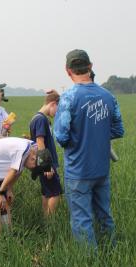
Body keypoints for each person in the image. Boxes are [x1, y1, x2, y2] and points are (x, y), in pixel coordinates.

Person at [54, 49, 124, 247]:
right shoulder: (109, 96)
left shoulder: (68, 98)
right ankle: (112, 252)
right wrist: (97, 133)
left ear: (68, 71)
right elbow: (118, 129)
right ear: (90, 66)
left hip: (78, 170)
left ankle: (89, 260)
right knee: (105, 215)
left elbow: (61, 136)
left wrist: (81, 134)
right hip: (101, 169)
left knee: (81, 220)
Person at [0, 137, 52, 235]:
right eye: (33, 169)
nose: (31, 170)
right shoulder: (22, 150)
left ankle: (8, 234)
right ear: (33, 158)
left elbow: (18, 171)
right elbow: (13, 171)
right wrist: (0, 193)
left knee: (5, 200)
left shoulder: (33, 149)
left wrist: (9, 189)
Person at [29, 90, 62, 216]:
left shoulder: (39, 119)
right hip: (46, 163)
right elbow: (40, 141)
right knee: (55, 193)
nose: (57, 113)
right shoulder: (41, 119)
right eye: (57, 109)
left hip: (43, 162)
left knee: (46, 192)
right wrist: (47, 166)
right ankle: (51, 224)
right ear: (52, 104)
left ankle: (45, 220)